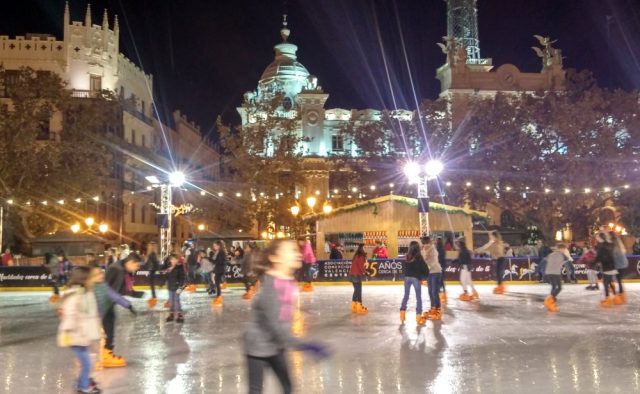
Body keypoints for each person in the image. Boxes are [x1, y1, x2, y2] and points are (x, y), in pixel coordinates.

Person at [243, 240, 329, 394]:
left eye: (296, 250)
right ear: (275, 258)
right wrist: (305, 345)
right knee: (255, 391)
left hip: (276, 345)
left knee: (288, 387)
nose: (297, 254)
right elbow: (279, 329)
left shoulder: (287, 281)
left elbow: (284, 318)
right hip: (257, 347)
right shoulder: (272, 287)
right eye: (290, 250)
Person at [57, 266, 103, 394]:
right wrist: (69, 331)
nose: (92, 280)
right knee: (87, 364)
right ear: (84, 279)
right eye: (90, 278)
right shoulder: (75, 294)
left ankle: (82, 383)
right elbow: (70, 315)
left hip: (82, 334)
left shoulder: (84, 292)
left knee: (88, 361)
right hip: (75, 335)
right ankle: (83, 387)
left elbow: (89, 313)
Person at [103, 253, 142, 367]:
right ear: (130, 263)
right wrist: (127, 304)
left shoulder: (122, 269)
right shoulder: (116, 269)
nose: (137, 268)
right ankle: (105, 355)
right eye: (136, 266)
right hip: (103, 303)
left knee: (109, 328)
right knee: (108, 329)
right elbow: (106, 288)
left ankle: (104, 353)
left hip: (108, 303)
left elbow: (119, 288)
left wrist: (134, 293)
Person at [399, 241, 428, 325]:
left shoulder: (407, 256)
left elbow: (405, 269)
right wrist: (423, 278)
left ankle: (402, 313)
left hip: (407, 278)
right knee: (418, 297)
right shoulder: (419, 257)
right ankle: (418, 315)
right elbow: (425, 269)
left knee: (406, 296)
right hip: (415, 279)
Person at [543, 244, 571, 312]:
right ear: (561, 249)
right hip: (555, 273)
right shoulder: (562, 255)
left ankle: (551, 300)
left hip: (548, 273)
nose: (564, 250)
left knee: (554, 286)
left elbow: (544, 261)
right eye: (564, 249)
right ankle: (549, 300)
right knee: (559, 287)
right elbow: (568, 262)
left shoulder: (550, 254)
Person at [421, 236, 443, 321]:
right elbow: (423, 260)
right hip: (429, 273)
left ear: (427, 242)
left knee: (434, 291)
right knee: (430, 291)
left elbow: (433, 261)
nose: (423, 244)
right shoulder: (424, 249)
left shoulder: (433, 249)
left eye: (424, 242)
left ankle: (438, 308)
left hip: (436, 272)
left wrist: (426, 268)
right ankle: (433, 307)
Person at [595, 232, 617, 307]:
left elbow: (600, 257)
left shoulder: (603, 246)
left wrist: (593, 263)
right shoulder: (607, 244)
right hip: (611, 266)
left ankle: (608, 300)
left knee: (605, 283)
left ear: (600, 238)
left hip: (607, 267)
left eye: (597, 237)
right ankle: (615, 295)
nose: (596, 238)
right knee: (609, 282)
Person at [163, 254, 185, 323]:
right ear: (170, 260)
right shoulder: (169, 268)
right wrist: (165, 274)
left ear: (177, 260)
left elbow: (182, 277)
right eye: (172, 259)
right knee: (171, 302)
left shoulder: (180, 267)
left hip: (177, 287)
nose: (173, 261)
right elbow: (166, 277)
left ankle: (179, 315)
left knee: (176, 301)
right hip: (170, 287)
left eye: (175, 259)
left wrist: (180, 286)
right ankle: (171, 314)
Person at [349, 244, 369, 314]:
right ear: (362, 248)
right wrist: (365, 272)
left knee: (356, 290)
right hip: (356, 275)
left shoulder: (357, 255)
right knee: (359, 291)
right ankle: (359, 307)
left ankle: (354, 306)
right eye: (365, 247)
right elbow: (360, 266)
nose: (366, 248)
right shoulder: (361, 256)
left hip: (352, 274)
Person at [610, 231, 628, 304]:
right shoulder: (620, 244)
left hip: (617, 265)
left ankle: (616, 294)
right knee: (619, 279)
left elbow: (614, 257)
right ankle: (621, 293)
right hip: (622, 265)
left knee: (610, 279)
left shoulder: (614, 246)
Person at [211, 240, 227, 306]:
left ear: (218, 246)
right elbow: (214, 260)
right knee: (216, 282)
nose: (214, 247)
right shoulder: (217, 252)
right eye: (213, 246)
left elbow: (220, 261)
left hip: (220, 269)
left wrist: (214, 261)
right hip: (218, 269)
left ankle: (219, 296)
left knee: (217, 282)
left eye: (215, 246)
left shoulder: (221, 252)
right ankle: (218, 295)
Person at [145, 242, 160, 308]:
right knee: (151, 284)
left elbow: (153, 263)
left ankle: (154, 297)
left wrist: (150, 267)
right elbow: (154, 263)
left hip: (152, 270)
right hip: (152, 270)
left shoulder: (152, 254)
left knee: (151, 284)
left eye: (150, 246)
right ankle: (154, 296)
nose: (149, 247)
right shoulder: (153, 254)